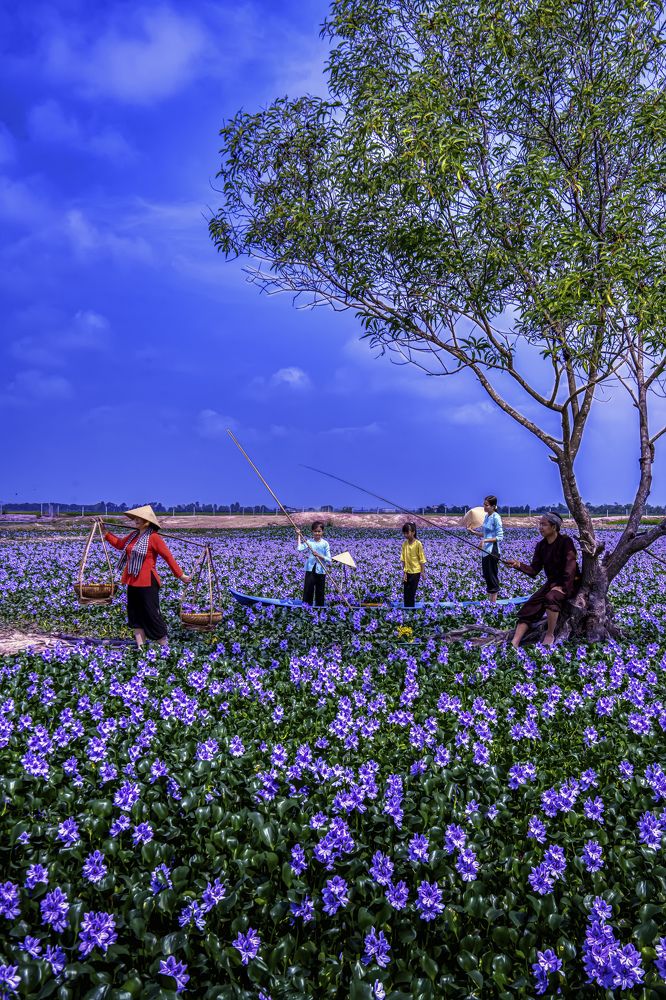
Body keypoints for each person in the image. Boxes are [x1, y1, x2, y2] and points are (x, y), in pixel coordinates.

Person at [101, 505, 191, 648]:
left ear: (147, 521)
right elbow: (120, 544)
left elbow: (168, 557)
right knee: (135, 615)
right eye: (135, 518)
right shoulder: (133, 536)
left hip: (147, 581)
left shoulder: (154, 537)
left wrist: (181, 575)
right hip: (132, 580)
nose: (136, 520)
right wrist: (105, 533)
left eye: (140, 518)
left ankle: (165, 647)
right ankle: (141, 648)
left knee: (151, 614)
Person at [507, 512, 579, 648]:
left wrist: (563, 587)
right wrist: (518, 565)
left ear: (554, 527)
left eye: (544, 524)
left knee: (551, 597)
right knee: (530, 606)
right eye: (540, 524)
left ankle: (550, 634)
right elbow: (534, 569)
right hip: (552, 583)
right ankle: (514, 642)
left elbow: (571, 567)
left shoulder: (565, 541)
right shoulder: (541, 546)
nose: (540, 527)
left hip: (570, 583)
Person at [467, 495, 504, 602]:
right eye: (484, 504)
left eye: (486, 505)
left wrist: (484, 541)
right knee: (487, 576)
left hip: (492, 551)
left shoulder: (496, 517)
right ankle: (490, 602)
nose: (484, 506)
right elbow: (485, 534)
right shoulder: (487, 516)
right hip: (485, 551)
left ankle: (493, 604)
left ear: (493, 506)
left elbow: (500, 537)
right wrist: (473, 532)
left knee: (492, 576)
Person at [297, 521, 331, 606]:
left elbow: (329, 559)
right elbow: (299, 548)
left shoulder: (325, 543)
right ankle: (306, 606)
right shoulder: (309, 542)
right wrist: (299, 535)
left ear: (322, 532)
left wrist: (319, 555)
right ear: (312, 531)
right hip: (310, 568)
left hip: (321, 569)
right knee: (308, 589)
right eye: (315, 531)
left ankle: (319, 607)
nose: (317, 533)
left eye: (319, 531)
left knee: (320, 590)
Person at [401, 521, 427, 607]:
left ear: (413, 532)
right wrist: (404, 573)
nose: (405, 535)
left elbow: (422, 559)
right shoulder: (404, 544)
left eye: (407, 533)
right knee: (406, 593)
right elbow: (403, 559)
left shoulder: (418, 544)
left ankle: (410, 610)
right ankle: (406, 610)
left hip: (416, 572)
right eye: (404, 533)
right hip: (407, 572)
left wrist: (422, 572)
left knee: (411, 593)